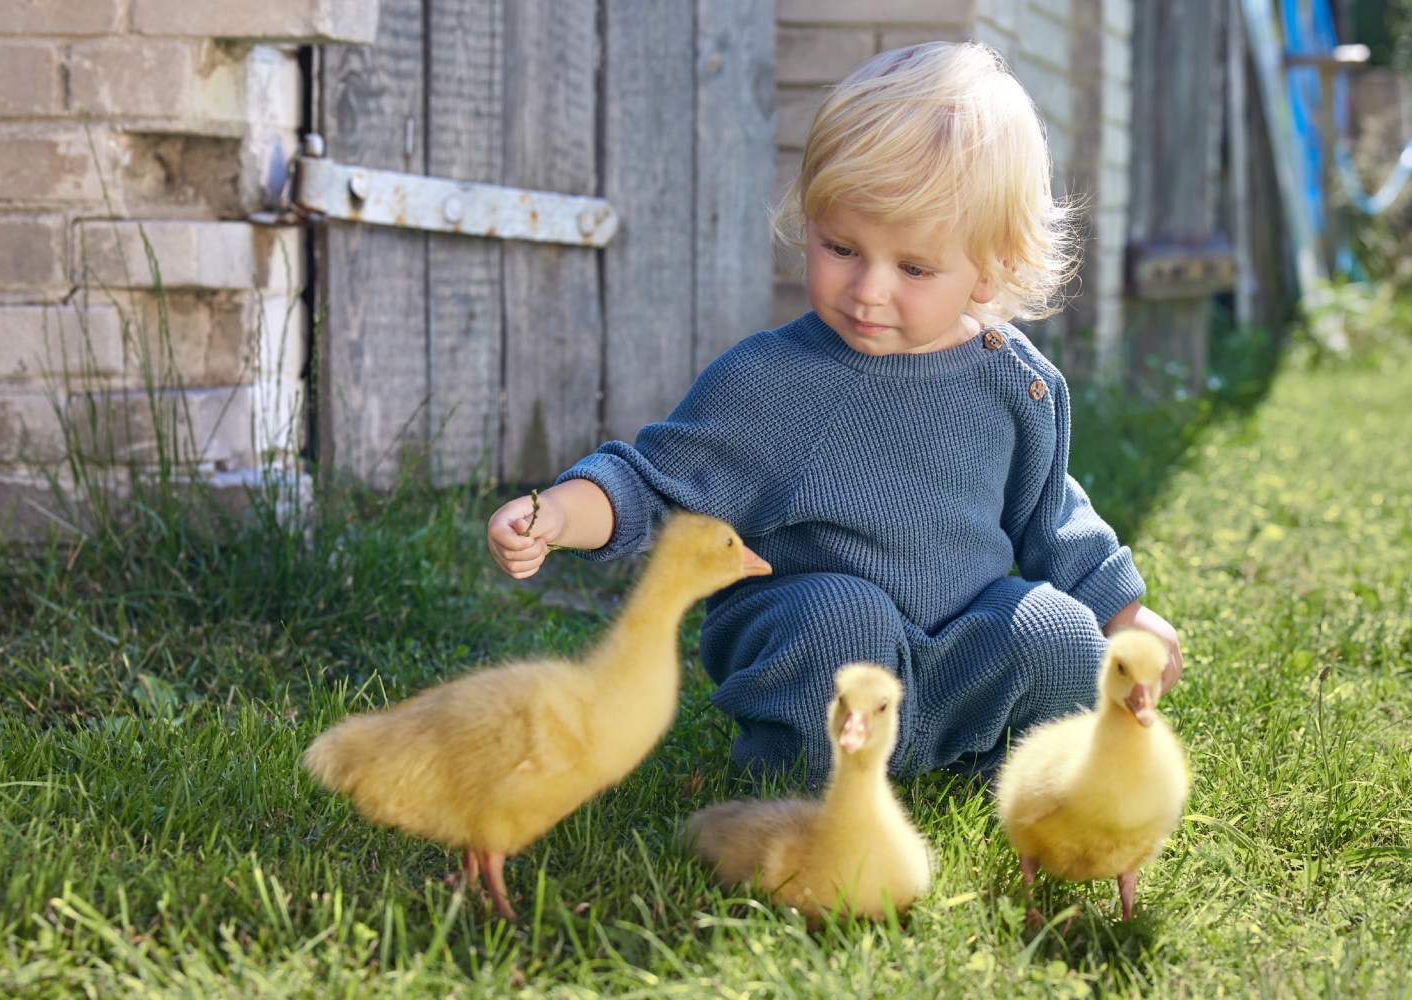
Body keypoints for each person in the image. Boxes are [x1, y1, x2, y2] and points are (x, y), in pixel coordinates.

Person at [486, 42, 1181, 782]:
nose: (869, 289)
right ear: (809, 219)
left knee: (1061, 636)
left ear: (991, 266)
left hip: (952, 656)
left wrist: (1120, 610)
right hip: (816, 647)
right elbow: (660, 485)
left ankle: (995, 771)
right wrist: (559, 513)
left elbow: (1050, 513)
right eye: (842, 247)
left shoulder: (1013, 382)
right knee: (845, 613)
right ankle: (801, 784)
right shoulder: (778, 379)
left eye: (913, 267)